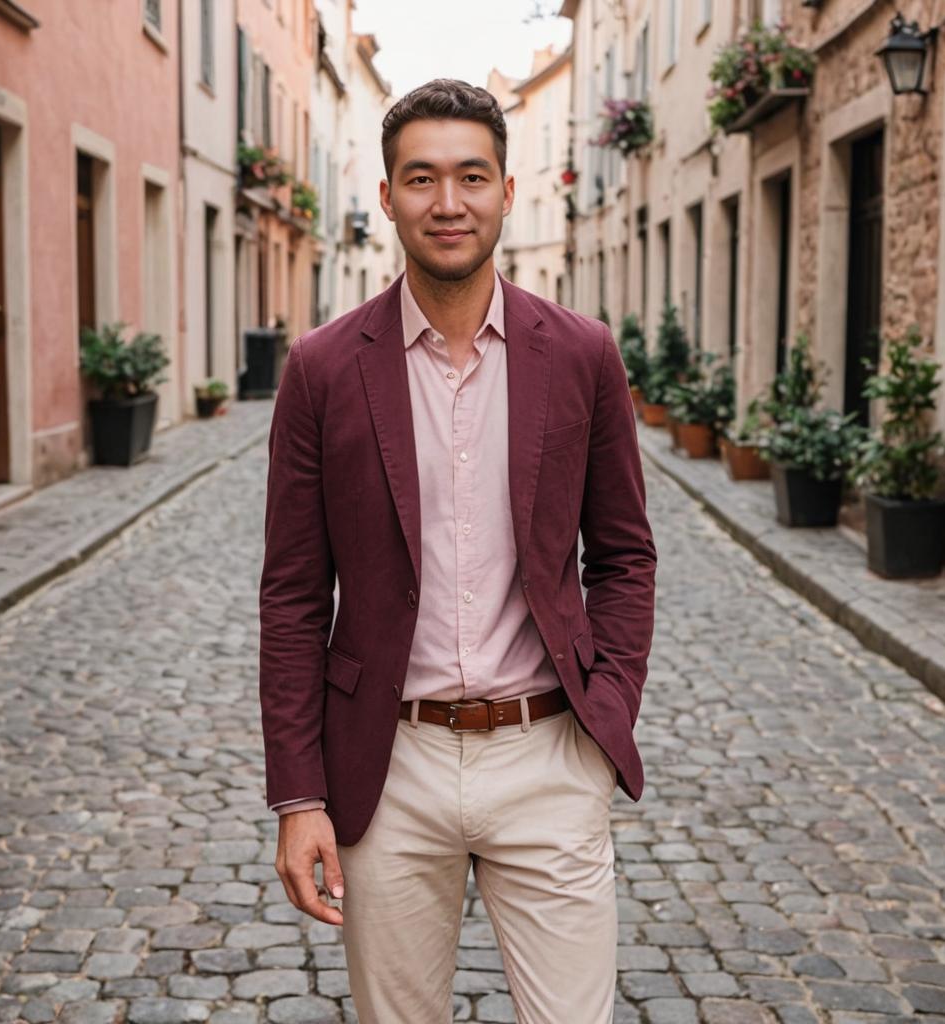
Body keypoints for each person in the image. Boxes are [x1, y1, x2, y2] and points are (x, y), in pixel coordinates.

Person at [259, 78, 657, 1023]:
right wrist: (298, 796)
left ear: (508, 192)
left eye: (471, 176)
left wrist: (606, 717)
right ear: (388, 195)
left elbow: (625, 555)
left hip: (549, 755)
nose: (449, 203)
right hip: (387, 764)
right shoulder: (321, 368)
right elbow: (293, 596)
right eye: (422, 179)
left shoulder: (583, 354)